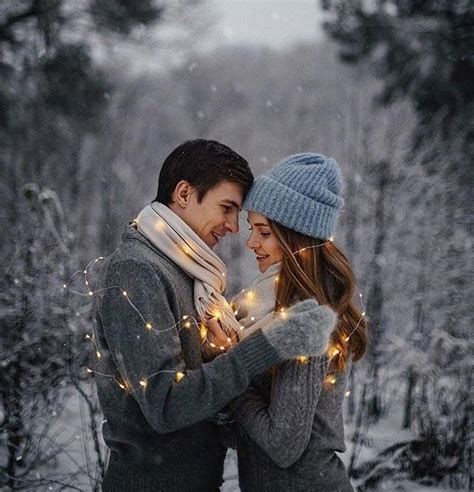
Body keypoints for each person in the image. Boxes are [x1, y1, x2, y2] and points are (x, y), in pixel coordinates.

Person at [92, 140, 337, 491]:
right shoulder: (138, 270)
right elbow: (165, 406)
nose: (234, 227)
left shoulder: (192, 273)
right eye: (227, 208)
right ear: (184, 193)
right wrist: (264, 346)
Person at [208, 153, 368, 491]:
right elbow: (256, 432)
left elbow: (283, 445)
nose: (251, 242)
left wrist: (230, 374)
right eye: (253, 229)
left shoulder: (305, 320)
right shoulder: (267, 307)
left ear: (296, 238)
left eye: (264, 232)